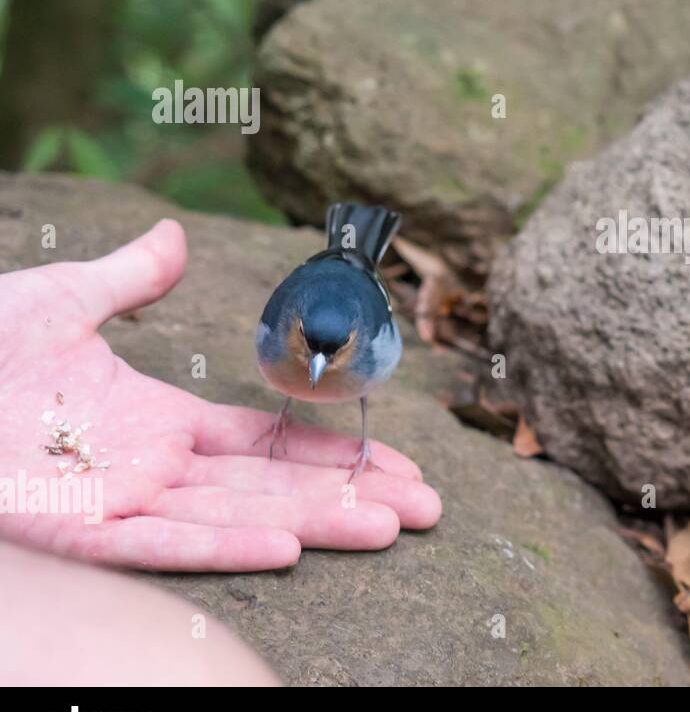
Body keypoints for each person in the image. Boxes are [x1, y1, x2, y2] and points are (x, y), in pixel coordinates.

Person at [0, 219, 442, 683]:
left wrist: (362, 444)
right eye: (310, 347)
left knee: (357, 390)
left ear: (354, 338)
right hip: (326, 278)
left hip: (355, 277)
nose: (317, 363)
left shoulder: (371, 336)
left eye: (332, 353)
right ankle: (288, 406)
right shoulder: (280, 324)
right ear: (296, 325)